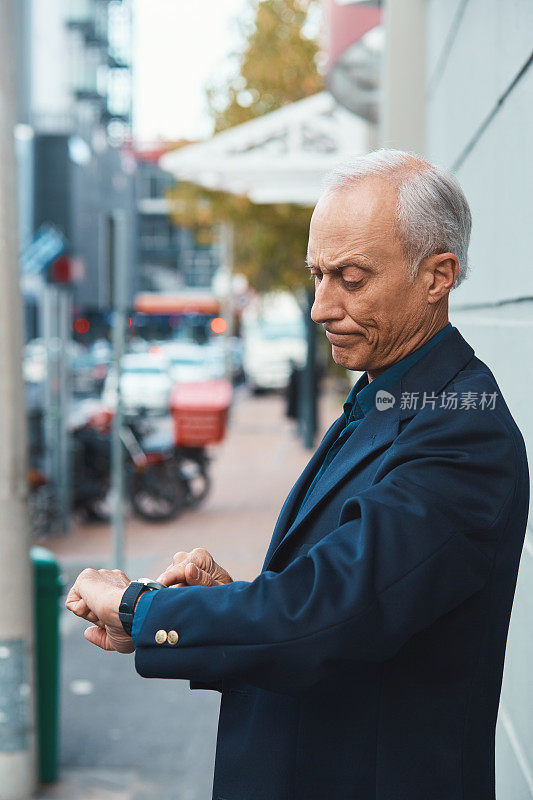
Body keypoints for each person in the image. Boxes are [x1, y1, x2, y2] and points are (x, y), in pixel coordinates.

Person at [66, 149, 529, 800]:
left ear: (438, 275)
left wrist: (145, 609)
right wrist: (225, 596)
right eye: (316, 274)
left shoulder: (462, 434)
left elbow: (327, 615)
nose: (320, 306)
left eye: (350, 277)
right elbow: (339, 602)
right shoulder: (395, 393)